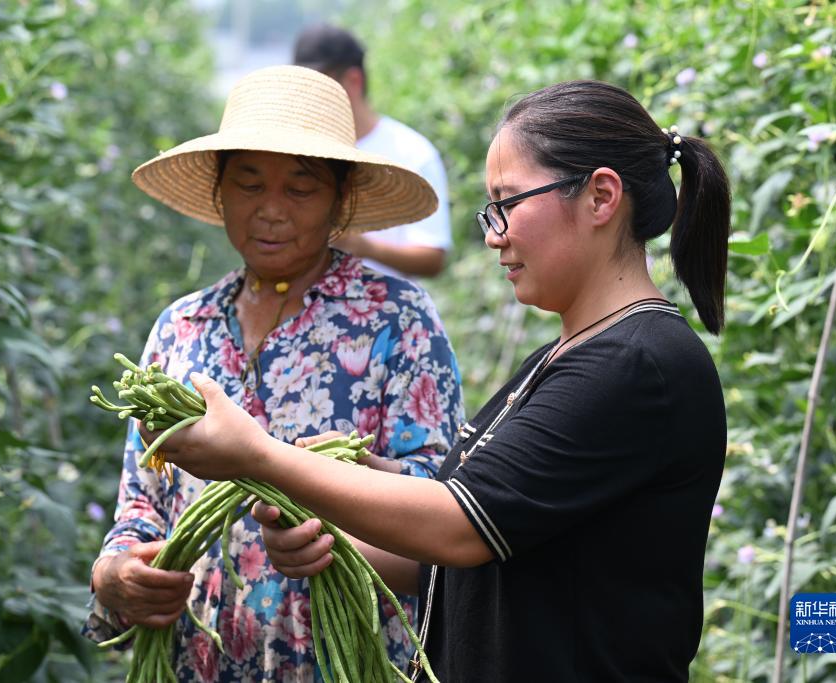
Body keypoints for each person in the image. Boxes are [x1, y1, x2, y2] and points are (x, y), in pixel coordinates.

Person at [148, 80, 731, 682]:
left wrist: (259, 456)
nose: (493, 234)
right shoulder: (559, 361)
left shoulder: (638, 367)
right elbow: (467, 556)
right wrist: (330, 531)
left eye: (507, 203)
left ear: (601, 197)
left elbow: (456, 526)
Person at [84, 65, 464, 682]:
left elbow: (441, 507)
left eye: (301, 188)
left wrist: (334, 537)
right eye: (249, 183)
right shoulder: (182, 327)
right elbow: (142, 497)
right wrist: (118, 570)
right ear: (219, 192)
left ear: (341, 200)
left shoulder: (398, 319)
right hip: (198, 657)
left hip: (341, 659)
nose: (270, 211)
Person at [293, 23, 452, 279]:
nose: (309, 95)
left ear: (354, 81)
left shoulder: (411, 152)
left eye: (320, 84)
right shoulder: (298, 148)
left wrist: (362, 246)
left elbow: (432, 258)